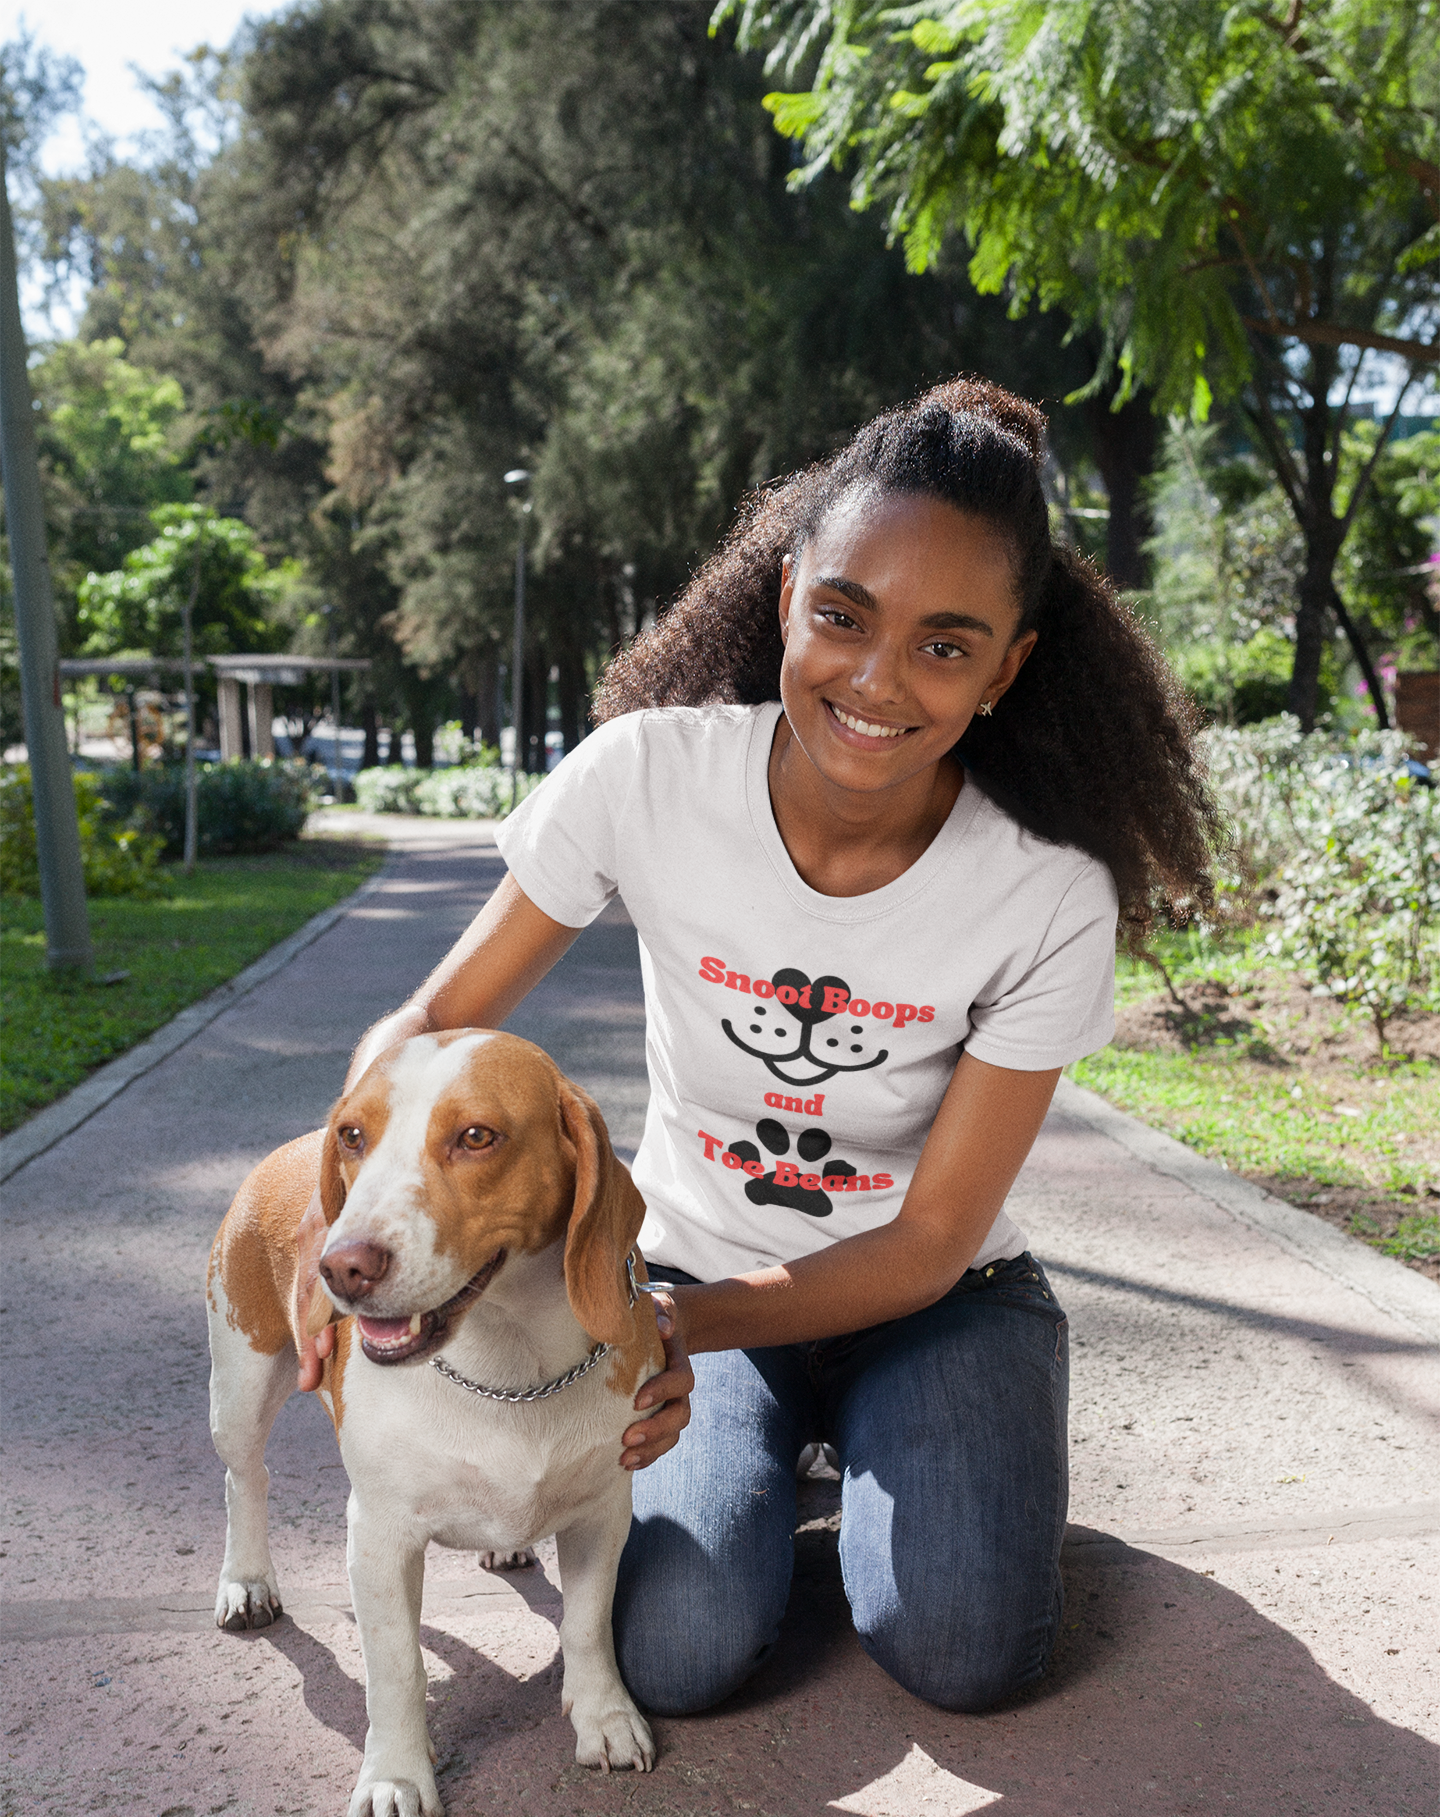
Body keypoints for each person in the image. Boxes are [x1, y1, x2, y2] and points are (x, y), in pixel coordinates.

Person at [298, 377, 1218, 1716]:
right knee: (675, 1653)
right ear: (787, 591)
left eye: (945, 647)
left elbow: (927, 1241)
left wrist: (667, 1331)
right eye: (843, 614)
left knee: (965, 1650)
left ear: (1010, 666)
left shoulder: (1043, 892)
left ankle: (955, 1471)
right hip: (690, 1268)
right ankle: (799, 1464)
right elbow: (430, 1027)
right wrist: (352, 1215)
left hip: (934, 1304)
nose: (876, 679)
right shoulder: (648, 777)